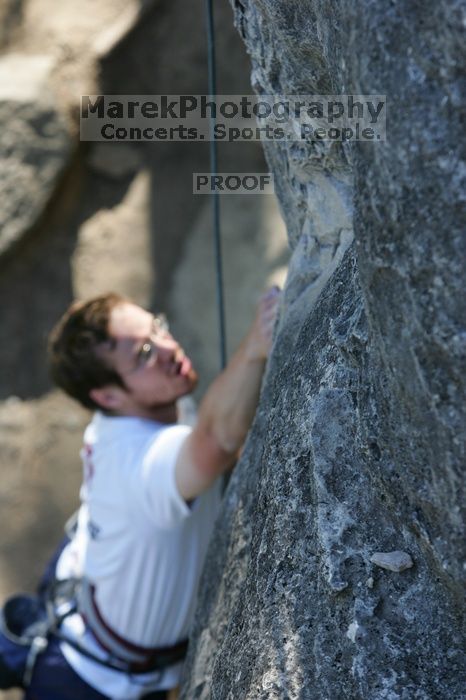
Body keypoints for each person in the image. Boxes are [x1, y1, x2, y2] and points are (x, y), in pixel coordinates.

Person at [2, 287, 280, 700]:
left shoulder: (150, 404)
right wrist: (257, 345)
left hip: (85, 591)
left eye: (158, 327)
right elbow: (216, 441)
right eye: (145, 354)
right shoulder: (137, 461)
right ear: (107, 396)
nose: (168, 347)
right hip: (85, 679)